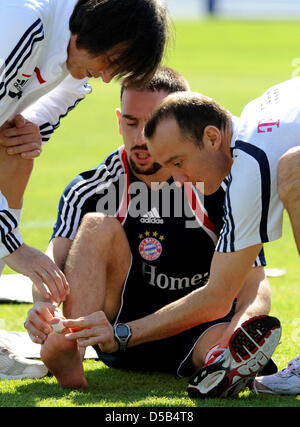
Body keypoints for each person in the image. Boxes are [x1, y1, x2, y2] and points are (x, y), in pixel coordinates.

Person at [23, 67, 280, 395]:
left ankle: (224, 362)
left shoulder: (224, 184)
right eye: (131, 122)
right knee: (97, 224)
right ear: (119, 120)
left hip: (199, 328)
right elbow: (52, 265)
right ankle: (70, 348)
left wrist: (239, 328)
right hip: (112, 332)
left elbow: (255, 284)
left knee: (220, 350)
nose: (141, 137)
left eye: (153, 124)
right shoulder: (93, 187)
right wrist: (44, 308)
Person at [0, 0, 169, 301]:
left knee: (17, 150)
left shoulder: (77, 70)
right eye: (110, 59)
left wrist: (26, 129)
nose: (105, 77)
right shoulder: (21, 24)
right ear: (97, 27)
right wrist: (12, 245)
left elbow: (30, 130)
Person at [143, 77, 300, 396]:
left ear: (213, 137)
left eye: (179, 162)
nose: (177, 179)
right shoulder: (252, 123)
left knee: (294, 171)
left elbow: (218, 294)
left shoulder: (250, 163)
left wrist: (122, 334)